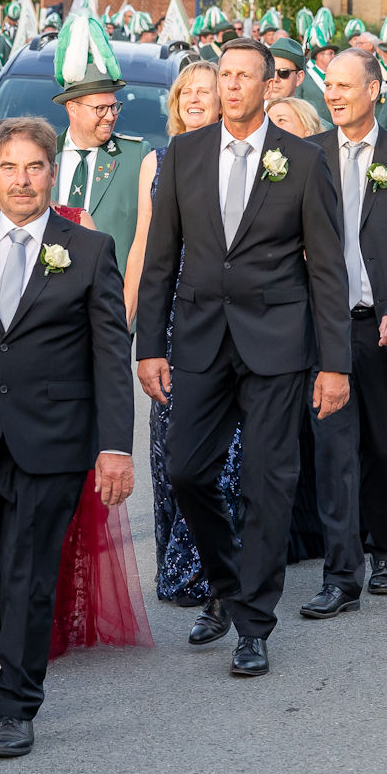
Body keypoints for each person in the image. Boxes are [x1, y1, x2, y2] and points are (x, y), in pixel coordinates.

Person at [134, 38, 350, 678]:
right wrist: (150, 347)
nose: (230, 86)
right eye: (223, 75)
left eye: (243, 76)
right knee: (186, 472)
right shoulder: (184, 154)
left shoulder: (303, 160)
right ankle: (227, 583)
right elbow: (160, 259)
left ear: (267, 86)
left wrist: (334, 363)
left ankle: (254, 624)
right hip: (200, 339)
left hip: (277, 344)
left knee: (266, 482)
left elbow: (328, 270)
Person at [0, 118, 138, 758]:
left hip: (53, 440)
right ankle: (24, 641)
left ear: (52, 173)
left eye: (33, 167)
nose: (21, 180)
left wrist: (115, 446)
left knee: (28, 573)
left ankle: (16, 707)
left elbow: (110, 354)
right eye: (9, 168)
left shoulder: (89, 249)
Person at [303, 51, 387, 614]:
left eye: (344, 85)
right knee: (333, 451)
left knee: (383, 448)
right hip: (323, 329)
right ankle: (341, 575)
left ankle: (386, 550)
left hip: (383, 330)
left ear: (375, 90)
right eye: (328, 85)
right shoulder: (306, 155)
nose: (333, 95)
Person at [123, 62, 241, 607]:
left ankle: (206, 567)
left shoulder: (238, 157)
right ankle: (176, 561)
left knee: (221, 450)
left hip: (224, 318)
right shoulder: (157, 159)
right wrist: (131, 324)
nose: (194, 98)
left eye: (205, 91)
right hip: (170, 317)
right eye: (185, 91)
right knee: (170, 442)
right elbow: (146, 247)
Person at [52, 33, 148, 274]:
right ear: (72, 108)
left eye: (114, 106)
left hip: (112, 289)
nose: (110, 116)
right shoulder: (44, 155)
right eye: (100, 108)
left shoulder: (136, 157)